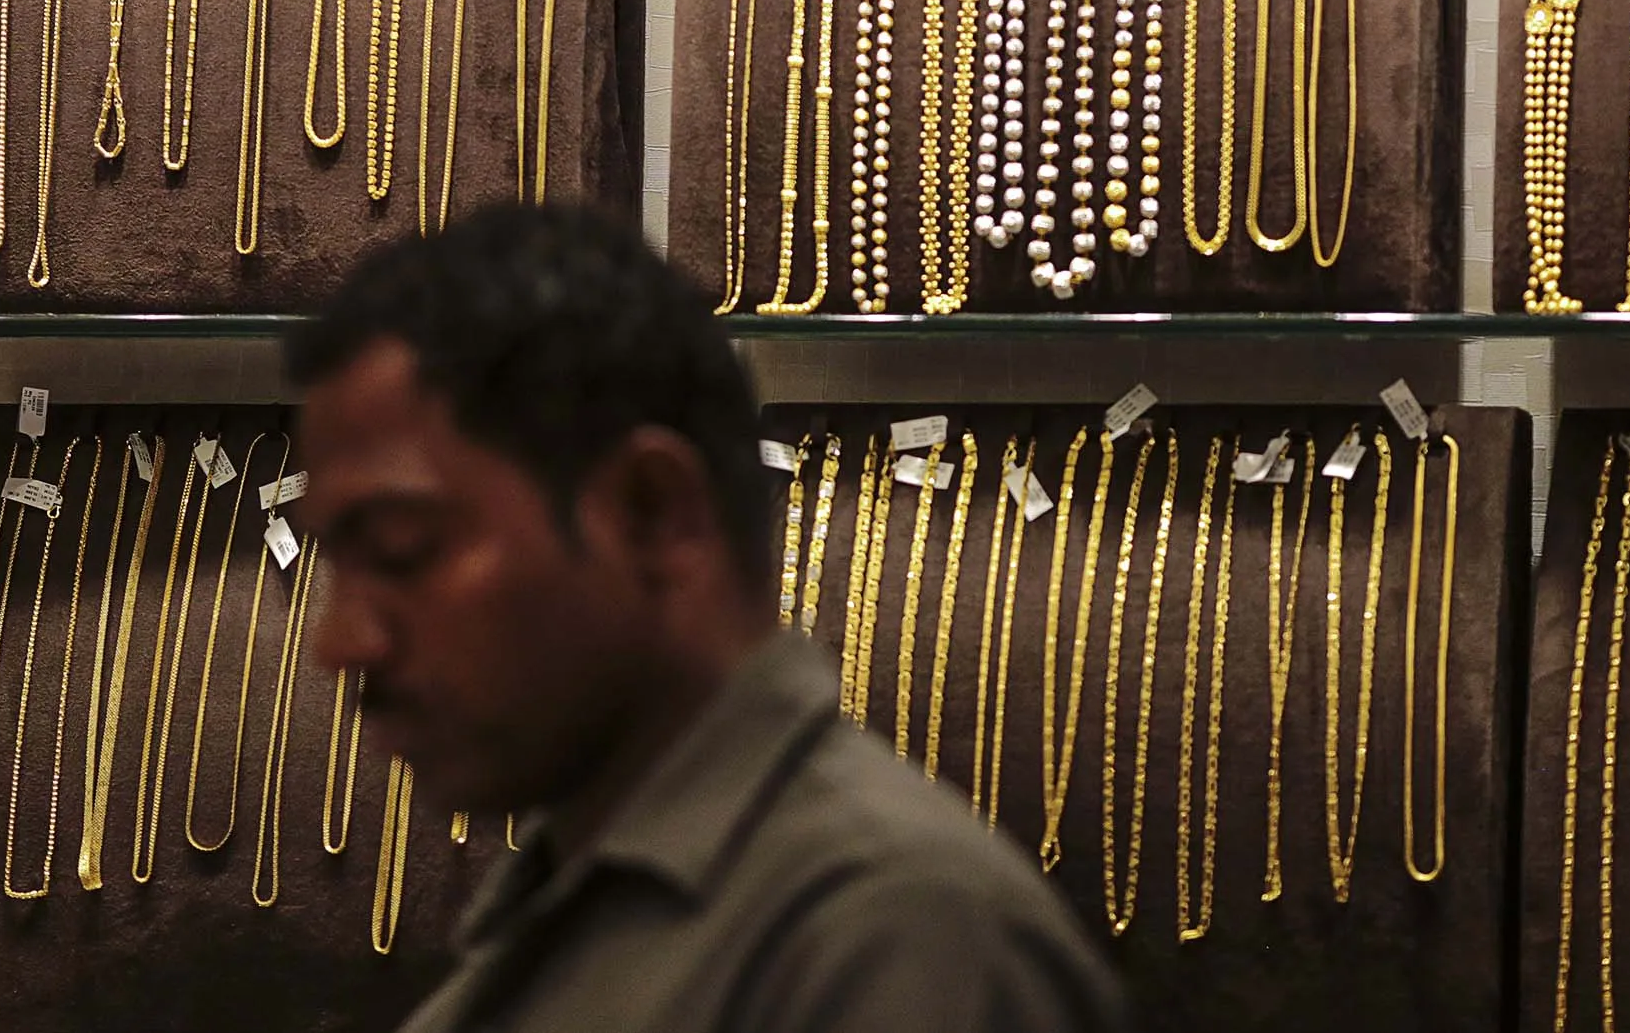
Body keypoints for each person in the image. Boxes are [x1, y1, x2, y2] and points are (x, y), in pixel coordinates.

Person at [289, 203, 1123, 1033]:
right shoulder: (583, 910)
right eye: (335, 563)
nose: (339, 643)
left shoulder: (899, 943)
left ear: (653, 512)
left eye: (403, 549)